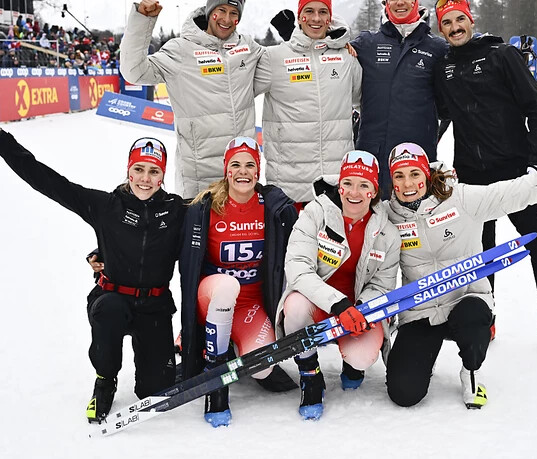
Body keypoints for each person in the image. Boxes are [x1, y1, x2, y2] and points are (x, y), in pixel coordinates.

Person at [0, 103, 187, 424]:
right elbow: (47, 180)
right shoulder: (106, 206)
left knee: (155, 391)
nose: (145, 178)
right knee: (108, 311)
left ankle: (162, 364)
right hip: (114, 299)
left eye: (153, 171)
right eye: (139, 169)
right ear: (128, 171)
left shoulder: (177, 212)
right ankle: (105, 379)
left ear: (162, 176)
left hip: (155, 307)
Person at [384, 138, 537, 409]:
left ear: (427, 174)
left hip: (466, 300)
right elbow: (354, 197)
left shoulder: (462, 199)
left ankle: (470, 370)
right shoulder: (388, 216)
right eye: (399, 175)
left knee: (473, 318)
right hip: (422, 312)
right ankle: (421, 360)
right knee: (404, 394)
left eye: (414, 174)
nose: (407, 184)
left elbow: (525, 188)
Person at [433, 0, 537, 356]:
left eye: (460, 20)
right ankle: (486, 313)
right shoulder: (444, 67)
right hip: (470, 177)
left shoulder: (502, 55)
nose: (455, 27)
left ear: (471, 20)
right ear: (441, 29)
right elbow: (438, 115)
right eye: (447, 22)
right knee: (479, 252)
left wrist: (536, 162)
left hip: (517, 172)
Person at [179, 137, 300, 428]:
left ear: (258, 171)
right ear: (226, 170)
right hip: (213, 298)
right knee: (226, 286)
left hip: (250, 305)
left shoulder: (271, 207)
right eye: (235, 164)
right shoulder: (205, 206)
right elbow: (161, 238)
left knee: (262, 368)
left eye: (250, 165)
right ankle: (215, 378)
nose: (242, 171)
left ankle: (229, 343)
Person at [276, 151, 401, 420]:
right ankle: (310, 375)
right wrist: (338, 304)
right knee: (295, 307)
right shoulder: (315, 213)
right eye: (348, 183)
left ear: (374, 191)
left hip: (356, 311)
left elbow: (383, 284)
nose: (354, 192)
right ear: (339, 184)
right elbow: (298, 268)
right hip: (319, 303)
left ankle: (351, 364)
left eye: (364, 185)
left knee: (362, 356)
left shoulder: (388, 232)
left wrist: (360, 309)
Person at [120, 0, 263, 198]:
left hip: (241, 176)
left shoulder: (248, 48)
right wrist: (142, 20)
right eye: (221, 10)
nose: (227, 19)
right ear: (209, 11)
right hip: (199, 179)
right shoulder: (180, 50)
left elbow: (279, 68)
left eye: (233, 13)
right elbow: (134, 72)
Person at [254, 0, 362, 204]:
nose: (316, 18)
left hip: (336, 185)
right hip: (288, 187)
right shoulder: (274, 58)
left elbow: (363, 102)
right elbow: (238, 95)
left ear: (330, 18)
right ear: (299, 17)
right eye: (309, 11)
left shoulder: (346, 58)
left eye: (323, 12)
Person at [349, 0, 449, 196]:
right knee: (372, 224)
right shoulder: (367, 43)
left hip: (416, 162)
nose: (400, 2)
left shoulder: (438, 48)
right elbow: (329, 57)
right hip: (372, 160)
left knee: (413, 223)